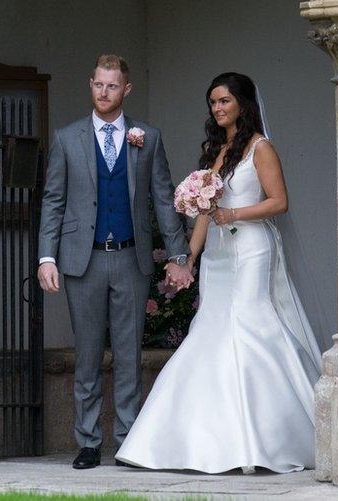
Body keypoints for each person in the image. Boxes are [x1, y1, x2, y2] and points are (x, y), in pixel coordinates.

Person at [115, 72, 323, 473]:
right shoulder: (218, 150)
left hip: (250, 249)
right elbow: (204, 217)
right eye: (213, 102)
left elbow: (279, 202)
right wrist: (188, 258)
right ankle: (190, 441)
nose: (218, 108)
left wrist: (234, 213)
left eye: (225, 101)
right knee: (208, 330)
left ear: (242, 103)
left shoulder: (261, 148)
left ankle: (268, 440)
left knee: (249, 327)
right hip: (218, 256)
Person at [37, 54, 193, 470]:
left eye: (112, 86)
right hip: (82, 260)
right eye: (98, 84)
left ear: (126, 90)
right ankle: (88, 442)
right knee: (87, 354)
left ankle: (128, 439)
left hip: (130, 258)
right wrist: (46, 256)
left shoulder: (148, 137)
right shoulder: (67, 138)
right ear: (90, 84)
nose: (104, 92)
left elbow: (163, 199)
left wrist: (179, 254)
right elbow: (53, 200)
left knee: (129, 354)